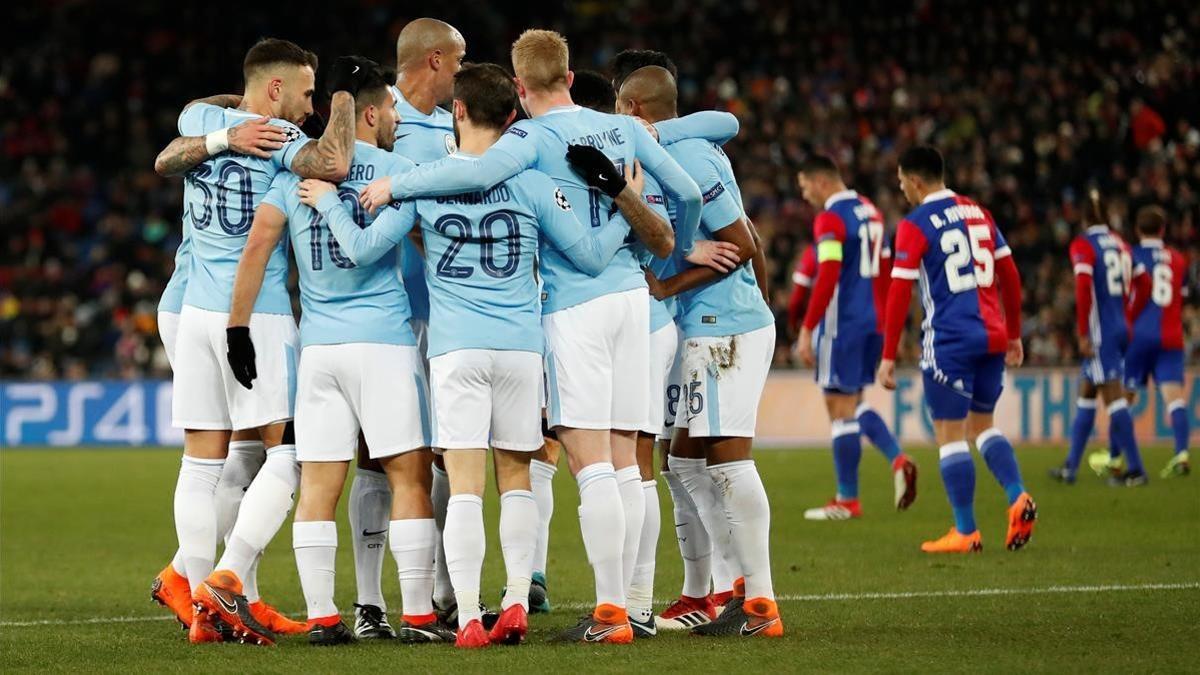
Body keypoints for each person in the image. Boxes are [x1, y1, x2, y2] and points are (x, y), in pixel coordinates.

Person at [358, 28, 721, 644]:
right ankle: (635, 602)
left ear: (520, 90)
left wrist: (399, 183)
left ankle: (604, 611)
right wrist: (666, 253)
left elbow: (475, 172)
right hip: (634, 299)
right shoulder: (625, 129)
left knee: (590, 461)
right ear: (572, 77)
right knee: (634, 460)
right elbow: (686, 192)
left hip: (569, 310)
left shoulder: (526, 141)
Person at [224, 60, 446, 646]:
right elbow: (375, 251)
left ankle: (324, 615)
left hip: (318, 349)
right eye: (393, 109)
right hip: (383, 345)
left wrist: (237, 327)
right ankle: (419, 615)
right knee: (408, 477)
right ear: (371, 112)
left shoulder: (289, 176)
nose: (398, 118)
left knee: (319, 483)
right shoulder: (401, 172)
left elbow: (257, 246)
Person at [149, 38, 360, 644]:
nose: (309, 104)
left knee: (202, 463)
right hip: (255, 316)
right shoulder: (287, 143)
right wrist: (341, 98)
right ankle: (227, 581)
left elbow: (171, 155)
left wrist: (230, 127)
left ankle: (198, 601)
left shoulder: (201, 120)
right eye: (305, 90)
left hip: (193, 313)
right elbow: (335, 164)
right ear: (275, 88)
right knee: (287, 453)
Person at [625, 65, 782, 638]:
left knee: (728, 459)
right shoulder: (687, 143)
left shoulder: (687, 155)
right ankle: (728, 589)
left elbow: (740, 243)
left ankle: (760, 601)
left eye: (623, 110)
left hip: (722, 329)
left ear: (636, 108)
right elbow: (753, 240)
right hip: (711, 327)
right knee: (685, 460)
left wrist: (668, 284)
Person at [343, 17, 467, 640]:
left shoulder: (453, 127)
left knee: (440, 456)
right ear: (436, 60)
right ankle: (370, 604)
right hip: (392, 313)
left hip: (450, 315)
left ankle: (444, 593)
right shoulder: (380, 123)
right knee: (381, 459)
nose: (465, 71)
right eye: (461, 59)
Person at [878, 145, 1036, 554]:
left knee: (949, 435)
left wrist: (889, 356)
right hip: (993, 336)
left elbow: (899, 291)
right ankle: (1017, 495)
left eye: (901, 182)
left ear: (914, 180)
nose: (901, 189)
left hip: (950, 339)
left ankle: (966, 531)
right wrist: (1015, 334)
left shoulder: (915, 224)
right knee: (983, 425)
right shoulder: (978, 212)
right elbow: (1011, 276)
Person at [793, 155, 917, 520]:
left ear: (819, 182)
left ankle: (847, 500)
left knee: (839, 409)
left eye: (804, 187)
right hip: (871, 322)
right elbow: (886, 270)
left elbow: (828, 273)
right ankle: (897, 458)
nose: (804, 195)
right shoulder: (871, 211)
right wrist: (885, 325)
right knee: (856, 403)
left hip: (840, 323)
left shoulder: (830, 219)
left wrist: (806, 328)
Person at [1049, 190, 1147, 486]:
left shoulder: (1084, 245)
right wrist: (1128, 314)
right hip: (1120, 326)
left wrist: (1082, 333)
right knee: (1088, 393)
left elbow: (1082, 287)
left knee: (1113, 396)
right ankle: (1070, 468)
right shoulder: (1121, 244)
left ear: (1083, 218)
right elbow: (1144, 281)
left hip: (1100, 331)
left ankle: (1136, 469)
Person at [1120, 205, 1191, 478]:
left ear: (1138, 230)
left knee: (1123, 399)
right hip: (1171, 335)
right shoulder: (1177, 258)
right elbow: (1180, 298)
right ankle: (1182, 453)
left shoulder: (1132, 255)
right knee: (1173, 398)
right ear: (1163, 230)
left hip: (1138, 335)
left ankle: (1115, 457)